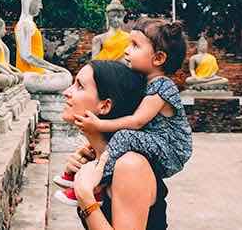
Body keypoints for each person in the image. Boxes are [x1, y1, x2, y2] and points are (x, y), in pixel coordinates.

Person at [73, 18, 193, 187]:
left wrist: (98, 125)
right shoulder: (143, 83)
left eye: (135, 46)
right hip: (154, 141)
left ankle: (97, 180)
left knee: (124, 136)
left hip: (171, 149)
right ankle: (91, 171)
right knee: (119, 136)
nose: (127, 50)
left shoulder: (162, 85)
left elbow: (136, 121)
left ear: (158, 58)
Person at [60, 61, 169, 229]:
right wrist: (77, 174)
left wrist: (85, 196)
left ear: (104, 106)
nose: (67, 92)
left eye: (80, 86)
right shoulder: (99, 158)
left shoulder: (131, 165)